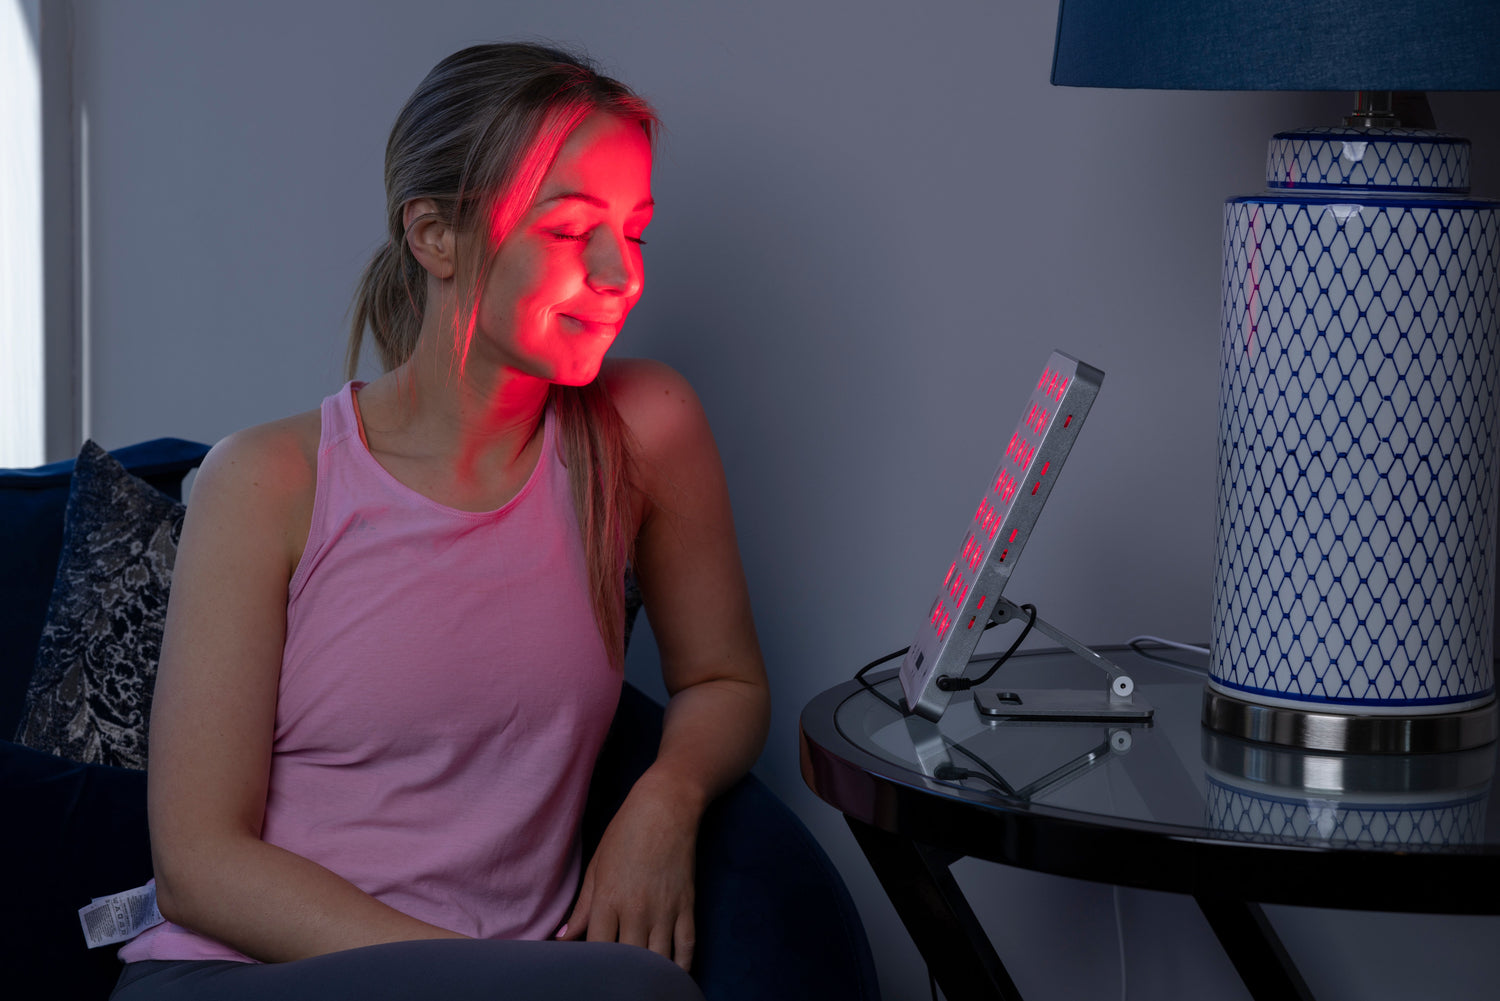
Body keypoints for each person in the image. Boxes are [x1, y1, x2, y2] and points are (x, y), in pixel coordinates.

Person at [111, 42, 769, 1001]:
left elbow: (725, 677)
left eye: (633, 233)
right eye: (570, 228)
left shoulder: (645, 431)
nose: (617, 273)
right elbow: (200, 863)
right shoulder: (264, 481)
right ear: (435, 235)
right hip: (247, 973)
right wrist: (474, 978)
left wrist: (661, 802)